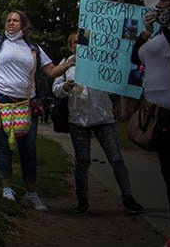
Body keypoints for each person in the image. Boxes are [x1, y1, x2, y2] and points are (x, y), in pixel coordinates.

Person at [0, 0, 75, 211]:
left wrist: (70, 63)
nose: (11, 22)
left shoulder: (34, 49)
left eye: (16, 20)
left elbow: (52, 71)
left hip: (26, 103)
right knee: (3, 147)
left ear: (23, 25)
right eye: (8, 20)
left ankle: (31, 193)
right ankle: (7, 189)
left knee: (29, 149)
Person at [53, 31, 143, 214]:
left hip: (103, 118)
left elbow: (116, 78)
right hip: (78, 120)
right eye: (76, 42)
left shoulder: (100, 60)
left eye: (83, 41)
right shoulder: (66, 64)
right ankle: (82, 200)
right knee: (82, 160)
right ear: (71, 47)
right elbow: (56, 90)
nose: (79, 44)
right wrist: (65, 87)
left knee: (116, 158)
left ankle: (128, 197)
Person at [132, 0, 170, 247]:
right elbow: (140, 57)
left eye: (164, 1)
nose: (158, 4)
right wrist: (147, 32)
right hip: (158, 115)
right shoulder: (160, 32)